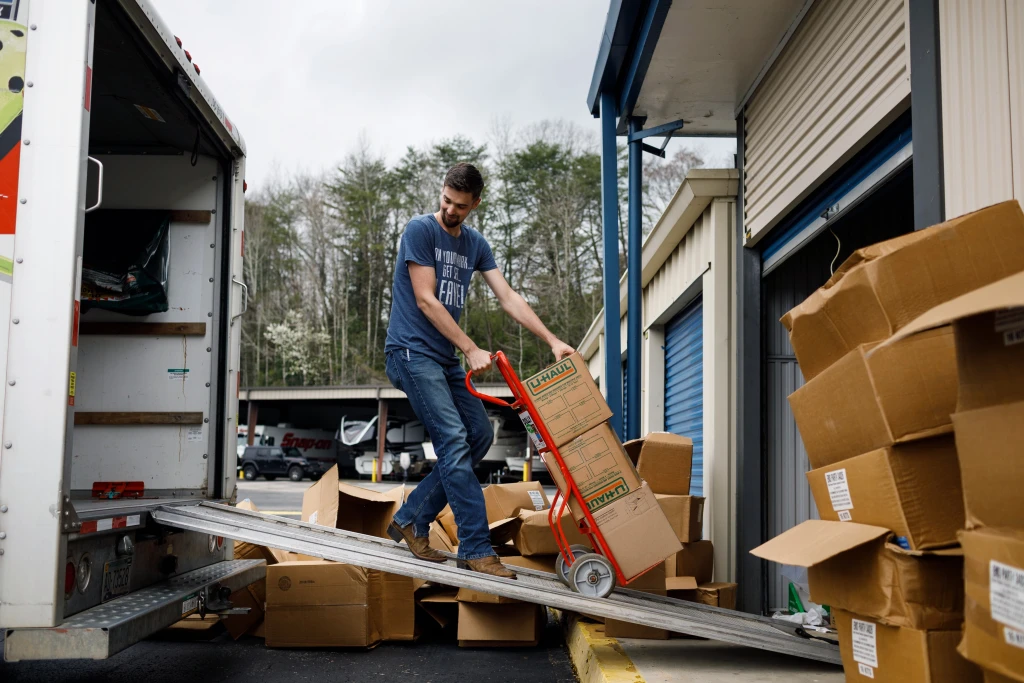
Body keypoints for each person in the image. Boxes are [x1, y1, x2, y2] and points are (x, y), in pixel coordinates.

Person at [384, 162, 575, 578]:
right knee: (453, 439)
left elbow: (508, 296)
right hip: (411, 352)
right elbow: (426, 300)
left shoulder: (475, 244)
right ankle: (475, 548)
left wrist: (552, 340)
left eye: (461, 206)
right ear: (443, 192)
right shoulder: (420, 230)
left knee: (479, 435)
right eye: (447, 201)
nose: (451, 210)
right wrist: (469, 347)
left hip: (442, 358)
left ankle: (410, 517)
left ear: (476, 203)